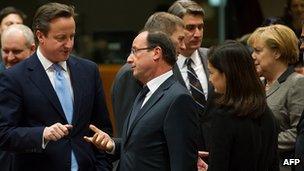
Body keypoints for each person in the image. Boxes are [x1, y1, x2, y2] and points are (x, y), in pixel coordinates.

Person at [0, 3, 112, 171]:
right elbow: (4, 134)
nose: (68, 44)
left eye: (72, 37)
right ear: (40, 36)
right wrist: (42, 134)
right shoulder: (15, 77)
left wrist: (103, 167)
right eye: (61, 38)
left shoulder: (88, 71)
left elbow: (102, 127)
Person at [85, 30, 199, 170]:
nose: (129, 59)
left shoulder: (179, 99)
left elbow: (182, 163)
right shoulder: (144, 92)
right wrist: (113, 145)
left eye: (135, 51)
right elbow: (142, 146)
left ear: (156, 53)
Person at [206, 40, 278, 171]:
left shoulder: (224, 116)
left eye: (211, 72)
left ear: (227, 74)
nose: (210, 79)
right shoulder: (265, 112)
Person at [111, 11, 186, 137]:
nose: (183, 46)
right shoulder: (131, 73)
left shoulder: (169, 68)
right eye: (180, 39)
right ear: (163, 37)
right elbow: (128, 133)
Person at [248, 24, 304, 171]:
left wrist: (258, 144)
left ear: (277, 53)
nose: (253, 56)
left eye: (258, 51)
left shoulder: (297, 83)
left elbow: (298, 133)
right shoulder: (257, 84)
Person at [0, 24, 35, 171]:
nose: (10, 57)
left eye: (16, 51)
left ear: (32, 49)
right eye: (5, 51)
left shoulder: (42, 80)